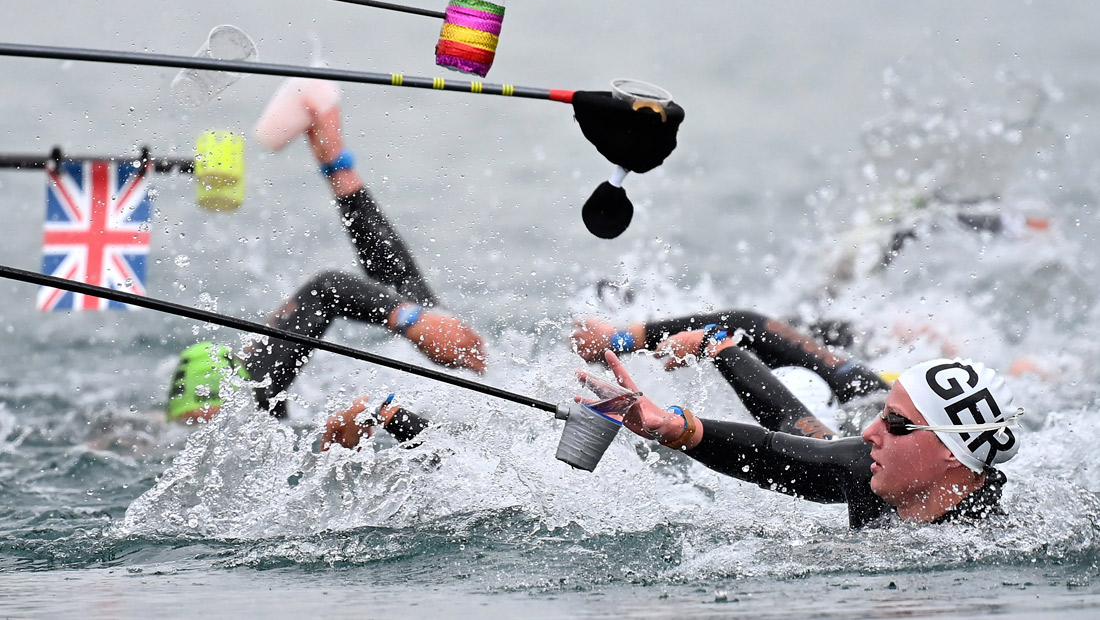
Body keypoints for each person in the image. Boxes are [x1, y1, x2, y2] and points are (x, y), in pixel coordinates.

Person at [165, 75, 487, 444]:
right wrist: (384, 413)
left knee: (437, 326)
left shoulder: (254, 407)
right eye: (198, 419)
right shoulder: (255, 426)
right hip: (402, 428)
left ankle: (336, 163)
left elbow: (342, 293)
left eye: (205, 415)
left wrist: (338, 168)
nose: (206, 424)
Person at [580, 350, 1023, 528]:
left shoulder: (992, 544)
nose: (870, 432)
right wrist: (677, 428)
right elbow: (773, 451)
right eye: (880, 415)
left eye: (896, 423)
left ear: (952, 452)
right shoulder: (865, 469)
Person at [571, 310, 891, 438]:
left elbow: (799, 430)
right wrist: (619, 340)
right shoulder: (863, 391)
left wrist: (714, 345)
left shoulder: (853, 460)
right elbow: (750, 325)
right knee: (814, 320)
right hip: (871, 376)